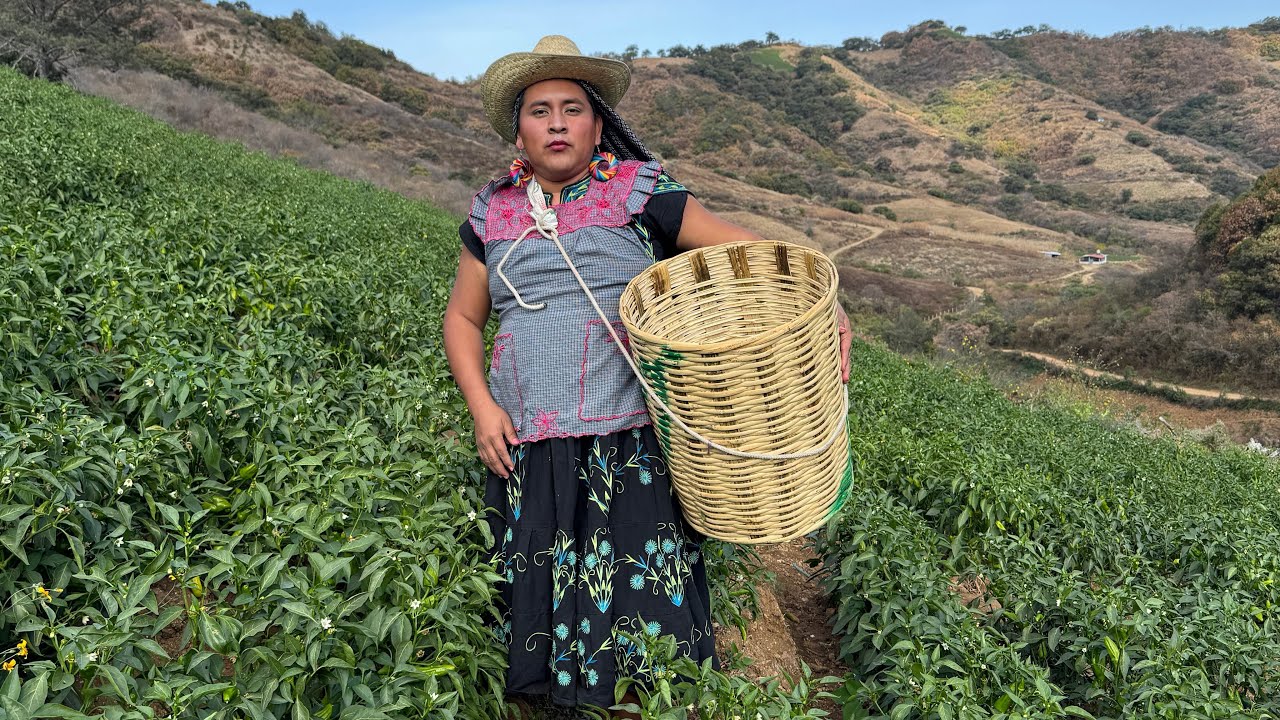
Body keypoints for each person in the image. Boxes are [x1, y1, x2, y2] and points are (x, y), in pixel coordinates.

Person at [442, 35, 851, 717]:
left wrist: (823, 300)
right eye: (539, 109)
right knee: (536, 630)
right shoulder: (492, 214)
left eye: (572, 108)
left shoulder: (638, 194)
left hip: (628, 445)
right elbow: (462, 319)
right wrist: (482, 407)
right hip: (528, 447)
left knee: (642, 644)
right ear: (518, 128)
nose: (556, 123)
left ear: (598, 124)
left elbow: (748, 253)